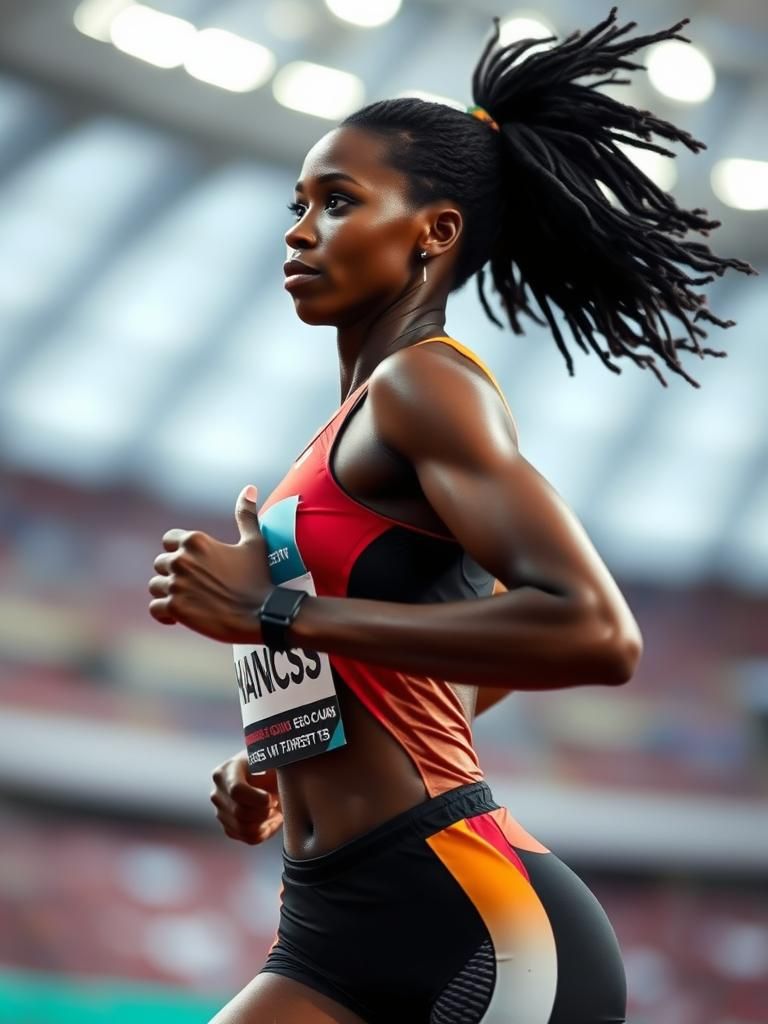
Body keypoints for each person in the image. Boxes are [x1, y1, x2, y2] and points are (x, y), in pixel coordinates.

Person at [148, 9, 754, 1023]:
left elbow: (593, 629)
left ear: (434, 230)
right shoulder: (337, 436)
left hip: (484, 923)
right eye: (298, 203)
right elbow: (469, 656)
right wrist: (283, 750)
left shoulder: (425, 390)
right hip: (329, 922)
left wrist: (280, 616)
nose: (299, 230)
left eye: (338, 202)